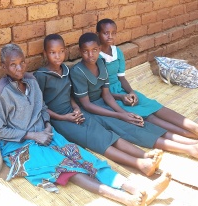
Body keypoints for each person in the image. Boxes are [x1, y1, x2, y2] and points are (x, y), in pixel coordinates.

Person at [0, 43, 171, 206]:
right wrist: (32, 135)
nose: (19, 68)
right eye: (13, 65)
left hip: (45, 134)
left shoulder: (31, 80)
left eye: (22, 62)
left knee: (87, 159)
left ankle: (136, 188)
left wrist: (46, 126)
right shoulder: (2, 92)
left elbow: (42, 108)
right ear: (4, 67)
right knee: (68, 167)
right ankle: (126, 199)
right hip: (20, 146)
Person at [69, 32, 198, 162]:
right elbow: (87, 105)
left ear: (99, 49)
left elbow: (107, 95)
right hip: (93, 111)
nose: (91, 55)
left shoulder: (101, 62)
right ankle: (190, 149)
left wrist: (124, 113)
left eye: (94, 50)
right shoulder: (77, 71)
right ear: (80, 52)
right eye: (86, 51)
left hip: (106, 104)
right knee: (133, 129)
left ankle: (193, 142)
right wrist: (120, 116)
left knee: (140, 121)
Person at [34, 34, 164, 177]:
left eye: (61, 51)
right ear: (45, 54)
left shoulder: (65, 70)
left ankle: (146, 156)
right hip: (59, 121)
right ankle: (140, 164)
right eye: (52, 52)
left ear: (65, 51)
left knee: (106, 133)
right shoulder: (41, 75)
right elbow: (40, 106)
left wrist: (76, 108)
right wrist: (63, 117)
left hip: (75, 113)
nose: (57, 56)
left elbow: (69, 94)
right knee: (98, 140)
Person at [96, 18, 198, 140]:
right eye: (106, 33)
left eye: (113, 33)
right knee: (148, 116)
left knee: (155, 106)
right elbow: (100, 91)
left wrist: (131, 92)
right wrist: (121, 97)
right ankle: (194, 135)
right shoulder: (95, 57)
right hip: (110, 96)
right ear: (98, 34)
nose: (110, 36)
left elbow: (121, 78)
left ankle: (196, 127)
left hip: (123, 91)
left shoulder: (117, 52)